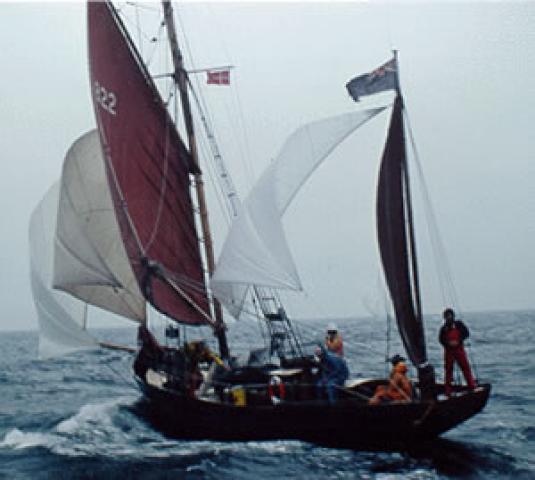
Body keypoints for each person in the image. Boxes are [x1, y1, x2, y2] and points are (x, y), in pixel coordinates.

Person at [439, 308, 476, 396]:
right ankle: (448, 390)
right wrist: (448, 344)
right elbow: (441, 339)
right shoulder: (444, 328)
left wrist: (458, 341)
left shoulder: (459, 324)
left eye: (449, 316)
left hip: (459, 349)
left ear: (453, 316)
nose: (448, 318)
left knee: (465, 367)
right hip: (449, 351)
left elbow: (466, 333)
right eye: (446, 316)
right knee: (448, 371)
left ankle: (471, 386)